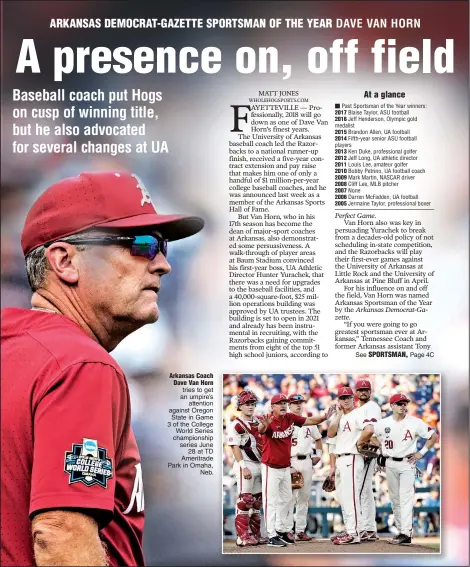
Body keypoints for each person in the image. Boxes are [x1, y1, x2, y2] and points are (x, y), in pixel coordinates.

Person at [1, 171, 204, 567]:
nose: (163, 264)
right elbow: (62, 535)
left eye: (162, 246)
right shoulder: (81, 365)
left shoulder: (15, 348)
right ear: (65, 261)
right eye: (142, 245)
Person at [357, 392, 438, 546]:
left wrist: (421, 453)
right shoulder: (383, 423)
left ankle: (406, 532)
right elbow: (372, 436)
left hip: (407, 463)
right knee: (395, 499)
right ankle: (402, 532)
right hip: (390, 463)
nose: (402, 406)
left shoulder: (415, 422)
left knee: (405, 498)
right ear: (391, 406)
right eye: (399, 403)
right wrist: (381, 450)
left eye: (404, 403)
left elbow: (433, 436)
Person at [258, 393, 335, 548]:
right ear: (272, 406)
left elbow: (310, 421)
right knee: (271, 501)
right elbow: (261, 429)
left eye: (284, 402)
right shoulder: (269, 419)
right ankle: (271, 534)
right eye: (279, 403)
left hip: (285, 466)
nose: (283, 405)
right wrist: (264, 425)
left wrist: (324, 417)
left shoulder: (290, 418)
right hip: (270, 467)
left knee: (287, 500)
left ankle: (281, 531)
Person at [227, 389, 267, 547]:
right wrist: (243, 467)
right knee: (245, 501)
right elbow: (235, 447)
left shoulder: (257, 421)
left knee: (257, 502)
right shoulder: (236, 424)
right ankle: (242, 537)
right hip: (246, 464)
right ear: (240, 406)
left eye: (252, 403)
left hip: (259, 464)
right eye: (247, 404)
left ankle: (255, 535)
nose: (250, 406)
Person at [327, 387, 366, 545]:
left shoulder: (359, 414)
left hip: (352, 456)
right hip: (340, 458)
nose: (346, 400)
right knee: (343, 497)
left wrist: (360, 444)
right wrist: (337, 415)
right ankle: (353, 529)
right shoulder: (340, 417)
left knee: (351, 496)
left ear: (353, 398)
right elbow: (330, 434)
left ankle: (354, 532)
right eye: (342, 398)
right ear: (338, 401)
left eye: (348, 397)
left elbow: (369, 430)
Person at [285, 394, 324, 542]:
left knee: (304, 497)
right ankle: (287, 530)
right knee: (288, 498)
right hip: (291, 461)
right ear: (289, 405)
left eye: (300, 402)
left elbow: (318, 438)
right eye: (295, 403)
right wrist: (287, 465)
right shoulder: (286, 422)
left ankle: (300, 530)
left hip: (307, 460)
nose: (298, 405)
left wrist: (319, 454)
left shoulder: (309, 422)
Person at [354, 379, 382, 541]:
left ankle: (365, 527)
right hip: (364, 449)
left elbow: (372, 431)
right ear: (356, 393)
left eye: (366, 390)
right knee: (365, 490)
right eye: (360, 390)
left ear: (370, 392)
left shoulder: (372, 407)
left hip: (367, 450)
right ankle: (369, 528)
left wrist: (366, 449)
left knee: (361, 490)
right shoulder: (362, 408)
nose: (363, 392)